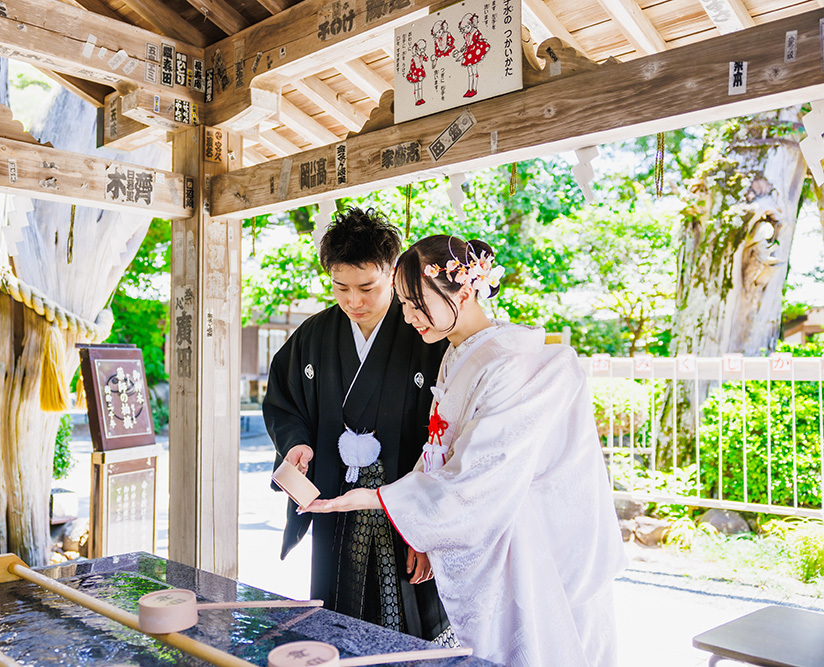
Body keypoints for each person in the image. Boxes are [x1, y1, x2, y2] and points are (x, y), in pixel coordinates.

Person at [305, 235, 626, 666]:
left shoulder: (511, 362)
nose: (408, 316)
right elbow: (439, 444)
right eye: (403, 303)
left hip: (518, 531)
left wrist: (376, 498)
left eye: (418, 305)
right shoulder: (458, 352)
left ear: (466, 290)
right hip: (487, 522)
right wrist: (418, 527)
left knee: (532, 645)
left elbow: (480, 475)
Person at [262, 208, 453, 643]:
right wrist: (296, 445)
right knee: (334, 620)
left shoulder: (424, 337)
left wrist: (426, 532)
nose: (354, 301)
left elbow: (447, 440)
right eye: (340, 287)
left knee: (408, 621)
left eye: (367, 287)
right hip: (335, 505)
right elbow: (283, 403)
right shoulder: (314, 335)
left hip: (401, 510)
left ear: (393, 272)